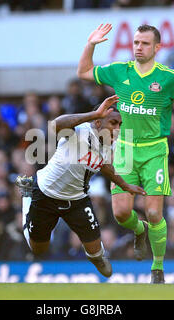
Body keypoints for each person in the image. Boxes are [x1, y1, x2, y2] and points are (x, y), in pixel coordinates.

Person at [77, 23, 174, 283]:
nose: (138, 47)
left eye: (145, 43)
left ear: (157, 47)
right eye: (136, 42)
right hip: (124, 147)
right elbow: (84, 71)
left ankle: (157, 267)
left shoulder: (168, 78)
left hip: (154, 150)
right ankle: (139, 231)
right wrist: (91, 44)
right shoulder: (119, 71)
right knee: (121, 214)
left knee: (155, 213)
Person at [15, 95, 146, 278]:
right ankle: (27, 197)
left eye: (120, 125)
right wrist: (94, 114)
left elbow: (104, 165)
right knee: (39, 249)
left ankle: (98, 257)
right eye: (113, 123)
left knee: (94, 250)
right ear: (98, 123)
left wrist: (124, 185)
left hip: (77, 199)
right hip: (45, 193)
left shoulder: (111, 142)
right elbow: (55, 125)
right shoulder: (79, 130)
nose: (117, 129)